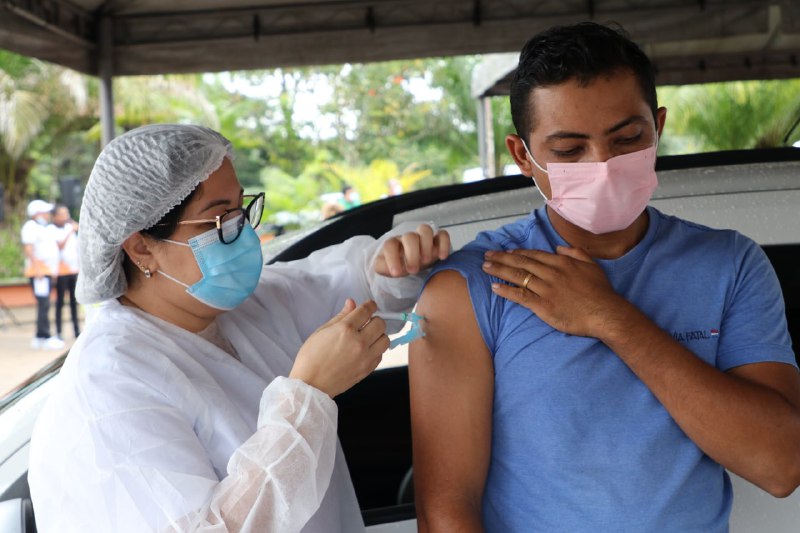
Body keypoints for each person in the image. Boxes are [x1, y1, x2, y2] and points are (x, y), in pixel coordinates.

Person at [410, 22, 800, 532]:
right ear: (522, 155)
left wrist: (610, 317)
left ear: (657, 126)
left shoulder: (730, 263)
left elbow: (780, 465)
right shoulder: (471, 285)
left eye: (627, 139)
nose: (603, 165)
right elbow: (445, 510)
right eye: (569, 151)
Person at [28, 124, 451, 533]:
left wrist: (395, 261)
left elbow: (349, 277)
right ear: (142, 248)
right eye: (220, 221)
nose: (245, 233)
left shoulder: (236, 308)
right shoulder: (111, 383)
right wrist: (308, 396)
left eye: (242, 210)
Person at [20, 199, 65, 350]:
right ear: (37, 213)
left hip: (46, 272)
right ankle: (44, 336)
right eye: (44, 212)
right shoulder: (30, 227)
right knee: (44, 303)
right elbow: (28, 249)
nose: (47, 215)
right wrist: (38, 270)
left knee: (44, 303)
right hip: (38, 273)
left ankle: (40, 335)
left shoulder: (45, 228)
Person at [52, 205, 81, 340]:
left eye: (67, 213)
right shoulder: (52, 229)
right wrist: (70, 231)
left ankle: (77, 331)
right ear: (55, 216)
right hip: (61, 272)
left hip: (73, 270)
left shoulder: (71, 228)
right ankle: (58, 332)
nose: (66, 216)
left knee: (74, 302)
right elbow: (60, 246)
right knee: (60, 302)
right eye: (62, 214)